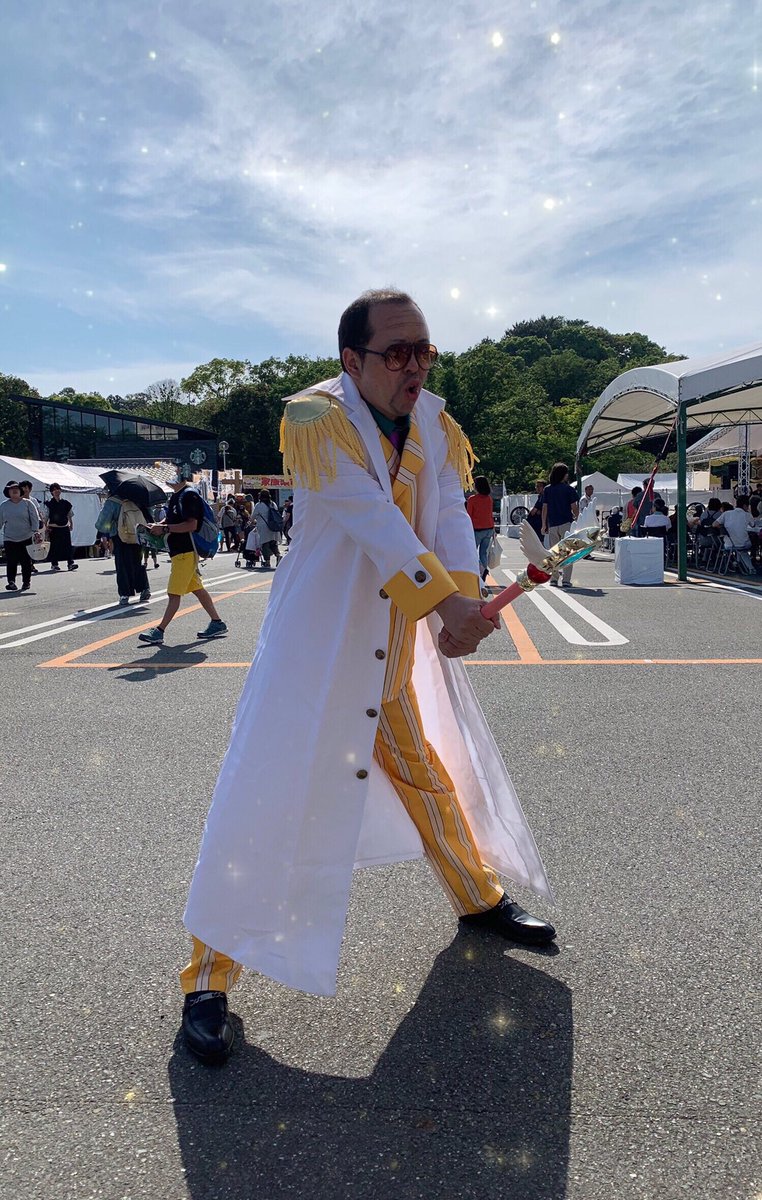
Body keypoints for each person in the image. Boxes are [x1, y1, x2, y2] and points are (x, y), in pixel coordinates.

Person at [179, 288, 555, 1065]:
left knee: (425, 775)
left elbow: (447, 514)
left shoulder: (435, 422)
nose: (415, 366)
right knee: (265, 802)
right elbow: (372, 521)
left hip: (389, 650)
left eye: (425, 351)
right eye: (398, 352)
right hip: (315, 653)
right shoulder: (315, 418)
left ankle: (478, 897)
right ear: (352, 361)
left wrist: (465, 605)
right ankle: (207, 979)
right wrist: (448, 609)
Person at [138, 475, 227, 644]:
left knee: (174, 594)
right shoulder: (178, 496)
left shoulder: (188, 495)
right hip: (181, 552)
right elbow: (173, 520)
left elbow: (192, 525)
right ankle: (217, 622)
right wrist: (158, 526)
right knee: (197, 589)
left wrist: (164, 528)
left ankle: (159, 631)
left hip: (185, 552)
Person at [540, 463, 579, 587]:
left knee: (554, 553)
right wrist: (578, 519)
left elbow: (544, 508)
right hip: (566, 523)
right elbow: (574, 508)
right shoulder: (569, 489)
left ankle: (554, 578)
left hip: (552, 524)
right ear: (563, 475)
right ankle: (566, 580)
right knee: (568, 552)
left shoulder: (548, 489)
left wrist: (543, 524)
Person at [111, 497, 152, 607]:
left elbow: (102, 522)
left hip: (121, 538)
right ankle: (144, 588)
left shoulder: (113, 501)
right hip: (137, 536)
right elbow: (149, 516)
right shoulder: (139, 500)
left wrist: (107, 530)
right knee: (137, 563)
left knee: (122, 566)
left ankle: (125, 594)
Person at [0, 480, 38, 591]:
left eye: (16, 489)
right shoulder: (4, 505)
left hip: (26, 536)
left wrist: (35, 531)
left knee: (25, 561)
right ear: (8, 492)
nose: (14, 491)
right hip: (9, 538)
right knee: (11, 560)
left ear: (20, 491)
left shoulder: (27, 503)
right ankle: (11, 581)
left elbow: (34, 518)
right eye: (12, 489)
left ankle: (26, 582)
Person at [465, 476, 495, 582]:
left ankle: (480, 570)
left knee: (472, 552)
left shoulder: (472, 499)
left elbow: (468, 516)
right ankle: (483, 572)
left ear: (477, 486)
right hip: (489, 528)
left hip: (476, 529)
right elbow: (490, 514)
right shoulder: (489, 499)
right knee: (483, 553)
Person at [45, 483, 78, 572]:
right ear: (51, 492)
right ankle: (54, 564)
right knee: (54, 547)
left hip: (64, 527)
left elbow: (69, 515)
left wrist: (71, 524)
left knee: (68, 546)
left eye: (58, 489)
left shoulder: (66, 503)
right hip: (53, 528)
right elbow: (46, 516)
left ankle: (70, 563)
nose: (56, 491)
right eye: (54, 490)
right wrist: (45, 527)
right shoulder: (49, 503)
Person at [253, 489, 282, 569]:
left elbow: (253, 516)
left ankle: (267, 562)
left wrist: (250, 522)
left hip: (263, 527)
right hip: (273, 526)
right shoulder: (273, 504)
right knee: (273, 543)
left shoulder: (259, 505)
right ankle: (278, 555)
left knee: (265, 544)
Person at [18, 481, 42, 574]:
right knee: (25, 546)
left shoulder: (33, 500)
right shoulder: (19, 500)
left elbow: (38, 512)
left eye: (26, 487)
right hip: (24, 527)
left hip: (34, 526)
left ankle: (31, 564)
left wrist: (42, 522)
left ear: (30, 489)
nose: (24, 489)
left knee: (34, 545)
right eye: (23, 487)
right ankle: (28, 565)